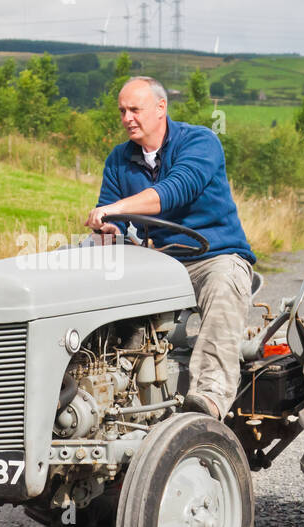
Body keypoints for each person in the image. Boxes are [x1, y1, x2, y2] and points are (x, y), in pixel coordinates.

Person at [86, 76, 255, 420]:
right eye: (122, 111)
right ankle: (116, 395)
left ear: (161, 108)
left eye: (135, 109)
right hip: (163, 262)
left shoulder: (201, 141)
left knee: (224, 283)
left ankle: (209, 396)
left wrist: (115, 209)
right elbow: (112, 216)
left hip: (215, 257)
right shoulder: (119, 160)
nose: (127, 118)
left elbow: (176, 190)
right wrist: (107, 227)